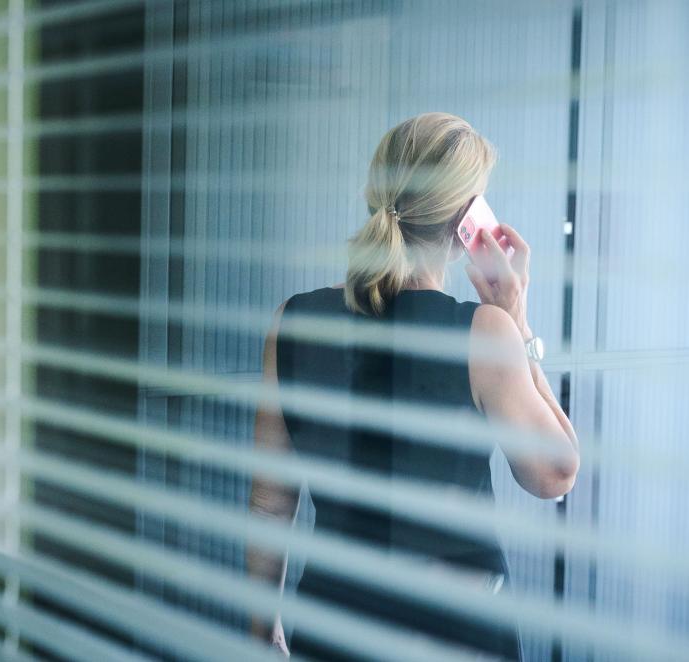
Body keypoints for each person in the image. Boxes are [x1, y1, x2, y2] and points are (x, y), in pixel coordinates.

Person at [248, 112, 580, 660]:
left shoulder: (293, 321)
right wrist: (516, 319)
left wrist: (264, 633)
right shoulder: (481, 333)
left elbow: (268, 504)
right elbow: (555, 473)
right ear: (465, 226)